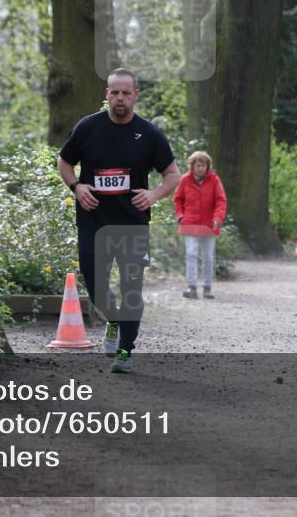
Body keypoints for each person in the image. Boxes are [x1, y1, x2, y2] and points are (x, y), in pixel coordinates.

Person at [58, 68, 180, 374]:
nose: (120, 98)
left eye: (126, 92)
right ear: (106, 94)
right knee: (95, 282)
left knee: (131, 286)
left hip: (132, 222)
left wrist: (154, 195)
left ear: (136, 95)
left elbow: (172, 175)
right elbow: (65, 161)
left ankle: (125, 351)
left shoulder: (149, 134)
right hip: (93, 220)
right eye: (115, 92)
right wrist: (77, 186)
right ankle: (112, 318)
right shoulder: (88, 128)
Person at [175, 151, 227, 300]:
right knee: (191, 254)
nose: (201, 168)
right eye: (198, 165)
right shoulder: (185, 180)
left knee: (208, 257)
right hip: (189, 223)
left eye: (204, 165)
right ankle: (191, 287)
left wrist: (218, 218)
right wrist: (180, 215)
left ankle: (207, 287)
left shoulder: (214, 180)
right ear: (192, 166)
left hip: (209, 224)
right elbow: (178, 199)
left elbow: (221, 201)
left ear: (208, 166)